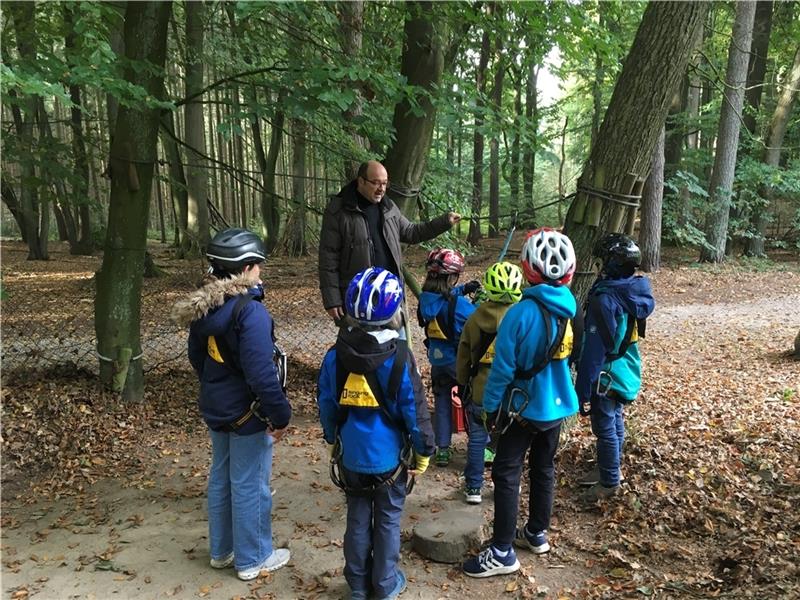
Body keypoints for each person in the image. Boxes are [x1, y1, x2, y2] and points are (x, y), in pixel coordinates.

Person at [171, 228, 292, 582]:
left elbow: (197, 358)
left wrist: (217, 387)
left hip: (216, 407)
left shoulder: (205, 309)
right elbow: (261, 373)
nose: (261, 273)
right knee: (250, 482)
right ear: (247, 268)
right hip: (246, 413)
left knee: (222, 477)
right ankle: (254, 558)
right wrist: (280, 413)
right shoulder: (250, 313)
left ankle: (222, 551)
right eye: (258, 266)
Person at [462, 228, 579, 578]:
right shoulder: (570, 311)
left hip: (521, 408)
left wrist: (489, 408)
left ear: (527, 269)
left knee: (506, 472)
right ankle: (536, 533)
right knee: (544, 468)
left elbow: (502, 370)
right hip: (556, 408)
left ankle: (501, 551)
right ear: (569, 273)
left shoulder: (518, 313)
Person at [317, 267, 435, 600]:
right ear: (396, 312)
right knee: (386, 519)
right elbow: (415, 408)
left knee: (356, 515)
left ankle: (357, 585)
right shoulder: (399, 358)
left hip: (351, 454)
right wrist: (423, 451)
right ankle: (384, 585)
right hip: (389, 460)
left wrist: (331, 438)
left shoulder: (334, 357)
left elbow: (327, 403)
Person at [318, 160, 461, 323]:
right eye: (376, 183)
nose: (381, 189)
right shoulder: (338, 211)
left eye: (385, 183)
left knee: (396, 347)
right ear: (361, 181)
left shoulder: (389, 207)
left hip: (391, 297)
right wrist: (332, 299)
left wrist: (445, 221)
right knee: (361, 348)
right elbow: (328, 258)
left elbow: (412, 232)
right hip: (359, 301)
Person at [575, 233, 655, 501]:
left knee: (605, 426)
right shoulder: (632, 291)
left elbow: (595, 349)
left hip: (606, 374)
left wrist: (583, 389)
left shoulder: (605, 299)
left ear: (609, 265)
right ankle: (611, 470)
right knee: (616, 418)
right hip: (626, 368)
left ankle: (609, 481)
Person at [455, 261, 523, 504]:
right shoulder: (521, 317)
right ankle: (507, 485)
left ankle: (474, 487)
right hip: (511, 391)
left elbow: (464, 354)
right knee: (508, 441)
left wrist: (462, 382)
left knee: (477, 438)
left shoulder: (474, 319)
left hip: (481, 388)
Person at [417, 248, 478, 467]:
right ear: (451, 277)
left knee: (442, 403)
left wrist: (463, 289)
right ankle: (479, 444)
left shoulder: (425, 300)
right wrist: (479, 302)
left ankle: (442, 449)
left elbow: (445, 299)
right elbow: (475, 320)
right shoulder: (460, 307)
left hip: (437, 362)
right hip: (458, 363)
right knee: (471, 402)